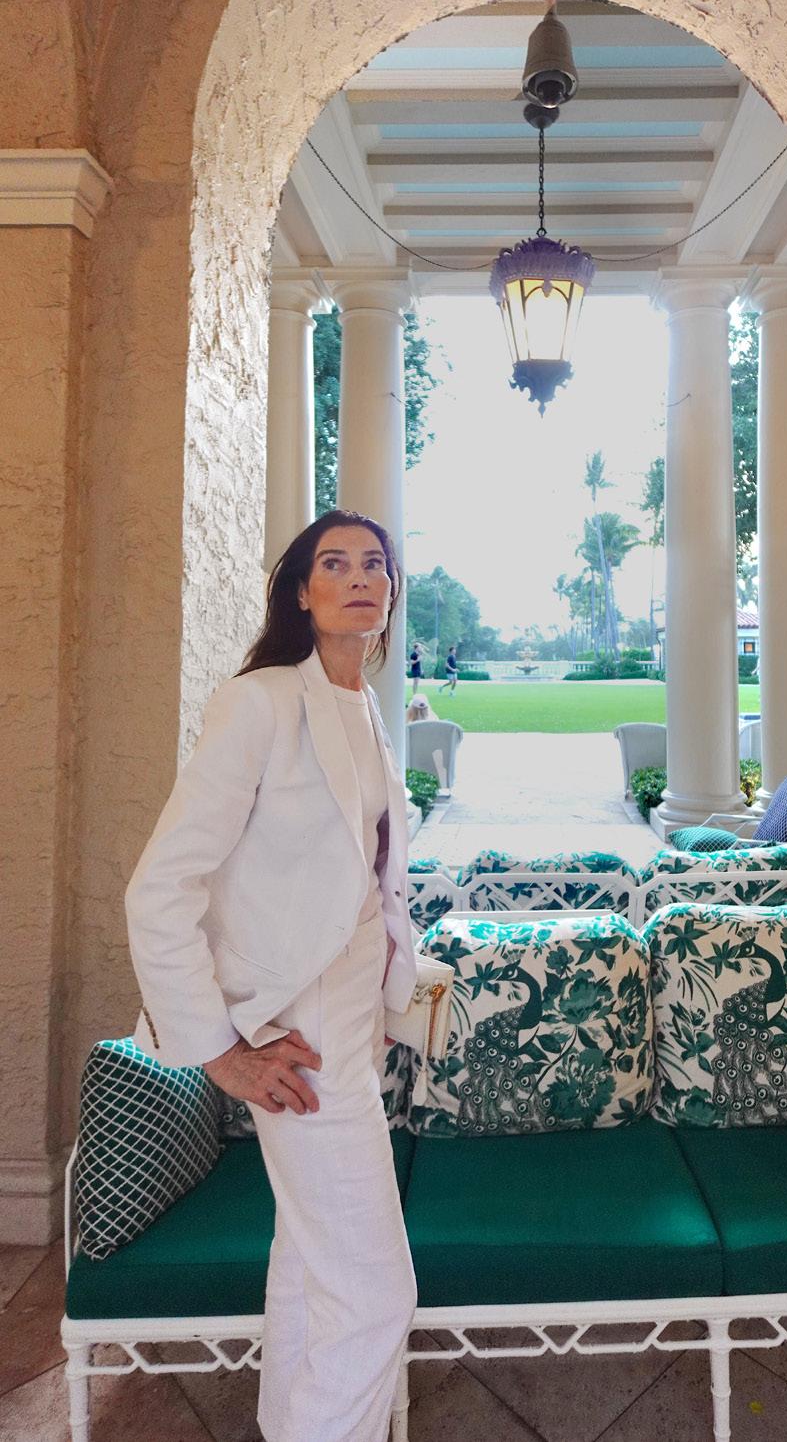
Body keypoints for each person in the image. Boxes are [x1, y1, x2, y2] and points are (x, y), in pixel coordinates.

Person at [125, 509, 418, 1442]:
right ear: (301, 591)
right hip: (297, 1032)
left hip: (353, 1021)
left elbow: (364, 880)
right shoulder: (259, 703)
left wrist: (397, 985)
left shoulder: (362, 705)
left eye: (374, 563)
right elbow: (159, 888)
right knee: (375, 1292)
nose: (360, 576)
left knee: (309, 1260)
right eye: (335, 563)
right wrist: (218, 1051)